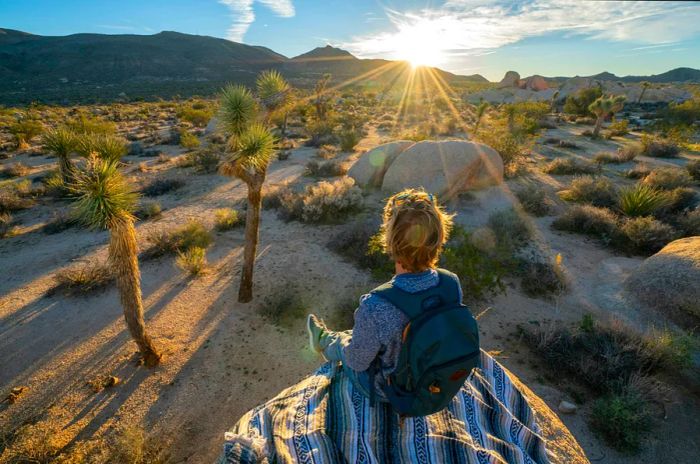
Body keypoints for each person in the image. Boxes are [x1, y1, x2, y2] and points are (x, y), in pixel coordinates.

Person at [307, 187, 475, 407]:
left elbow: (357, 362)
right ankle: (330, 338)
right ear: (439, 237)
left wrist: (347, 348)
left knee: (346, 343)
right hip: (434, 379)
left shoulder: (376, 305)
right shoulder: (451, 283)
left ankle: (323, 341)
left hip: (391, 390)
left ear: (391, 239)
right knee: (364, 335)